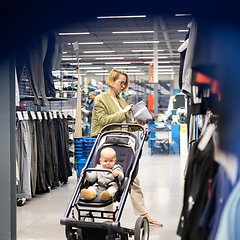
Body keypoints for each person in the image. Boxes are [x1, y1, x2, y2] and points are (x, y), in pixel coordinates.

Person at [90, 68, 163, 226]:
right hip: (107, 145)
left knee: (133, 179)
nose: (123, 86)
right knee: (106, 179)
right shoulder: (101, 99)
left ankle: (144, 214)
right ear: (112, 81)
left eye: (125, 83)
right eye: (120, 82)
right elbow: (103, 121)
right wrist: (123, 112)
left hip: (123, 145)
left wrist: (139, 125)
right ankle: (109, 216)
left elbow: (126, 125)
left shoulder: (121, 100)